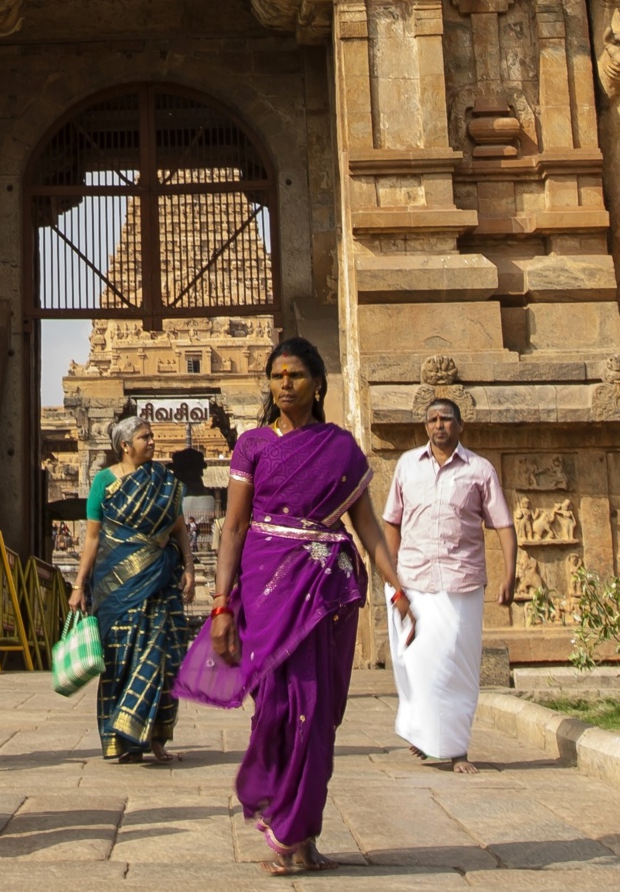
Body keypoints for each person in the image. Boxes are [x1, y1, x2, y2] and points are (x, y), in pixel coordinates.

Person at [178, 339, 418, 876]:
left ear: (318, 383)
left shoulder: (341, 449)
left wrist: (397, 587)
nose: (285, 383)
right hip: (266, 590)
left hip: (326, 591)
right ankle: (286, 832)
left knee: (320, 714)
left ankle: (304, 837)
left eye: (296, 374)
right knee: (279, 709)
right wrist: (220, 605)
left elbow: (369, 529)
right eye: (276, 375)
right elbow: (234, 526)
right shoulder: (253, 447)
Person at [382, 396, 514, 770]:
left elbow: (503, 524)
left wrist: (510, 573)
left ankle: (456, 750)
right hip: (414, 577)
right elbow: (392, 522)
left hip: (462, 581)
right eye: (432, 419)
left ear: (460, 426)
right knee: (417, 661)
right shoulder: (407, 465)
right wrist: (391, 576)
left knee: (457, 665)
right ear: (425, 426)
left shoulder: (480, 470)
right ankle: (426, 733)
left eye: (446, 419)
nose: (438, 425)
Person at [68, 413, 190, 763]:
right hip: (115, 588)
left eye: (151, 436)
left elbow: (179, 528)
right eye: (145, 437)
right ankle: (120, 739)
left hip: (160, 583)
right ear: (124, 445)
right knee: (119, 660)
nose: (152, 442)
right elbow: (92, 538)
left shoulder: (163, 480)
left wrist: (191, 568)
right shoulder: (104, 482)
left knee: (161, 659)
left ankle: (156, 739)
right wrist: (79, 585)